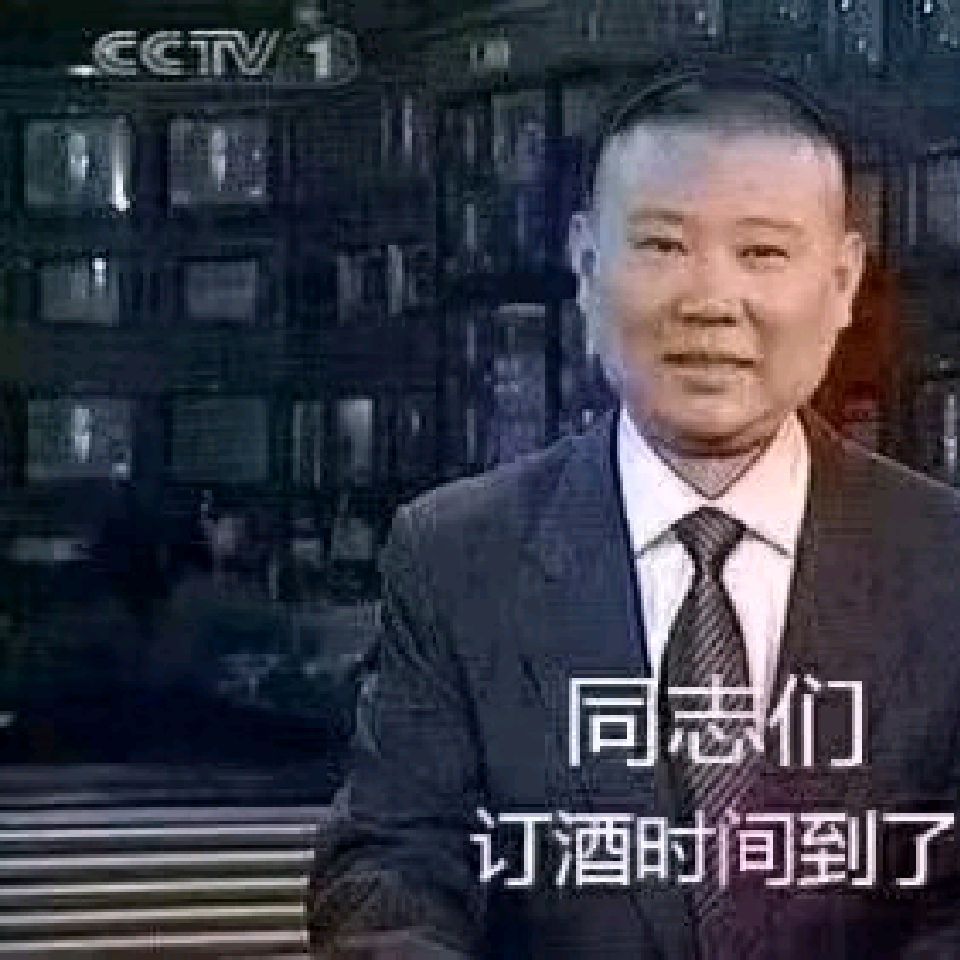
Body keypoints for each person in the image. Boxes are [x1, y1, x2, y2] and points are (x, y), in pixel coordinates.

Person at [308, 66, 960, 960]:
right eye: (661, 245)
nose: (710, 302)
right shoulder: (455, 557)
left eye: (763, 254)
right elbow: (391, 871)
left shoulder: (943, 561)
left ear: (843, 281)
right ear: (585, 264)